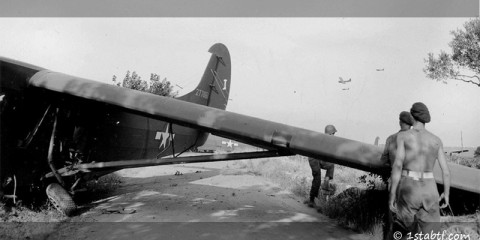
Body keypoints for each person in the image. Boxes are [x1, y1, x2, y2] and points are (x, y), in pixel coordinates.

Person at [389, 102, 450, 236]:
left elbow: (398, 165)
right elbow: (445, 171)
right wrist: (446, 194)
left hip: (409, 189)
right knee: (432, 234)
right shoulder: (436, 140)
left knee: (403, 233)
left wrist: (392, 194)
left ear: (412, 116)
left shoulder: (403, 137)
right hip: (430, 189)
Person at [380, 111, 414, 240]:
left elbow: (383, 161)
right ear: (411, 124)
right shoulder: (417, 139)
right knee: (409, 218)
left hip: (394, 181)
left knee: (392, 216)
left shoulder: (391, 138)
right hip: (412, 184)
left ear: (400, 122)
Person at [305, 124, 337, 208]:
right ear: (330, 133)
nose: (334, 135)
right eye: (333, 133)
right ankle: (312, 200)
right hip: (313, 159)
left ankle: (326, 181)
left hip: (319, 159)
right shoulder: (323, 139)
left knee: (331, 165)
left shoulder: (329, 140)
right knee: (317, 179)